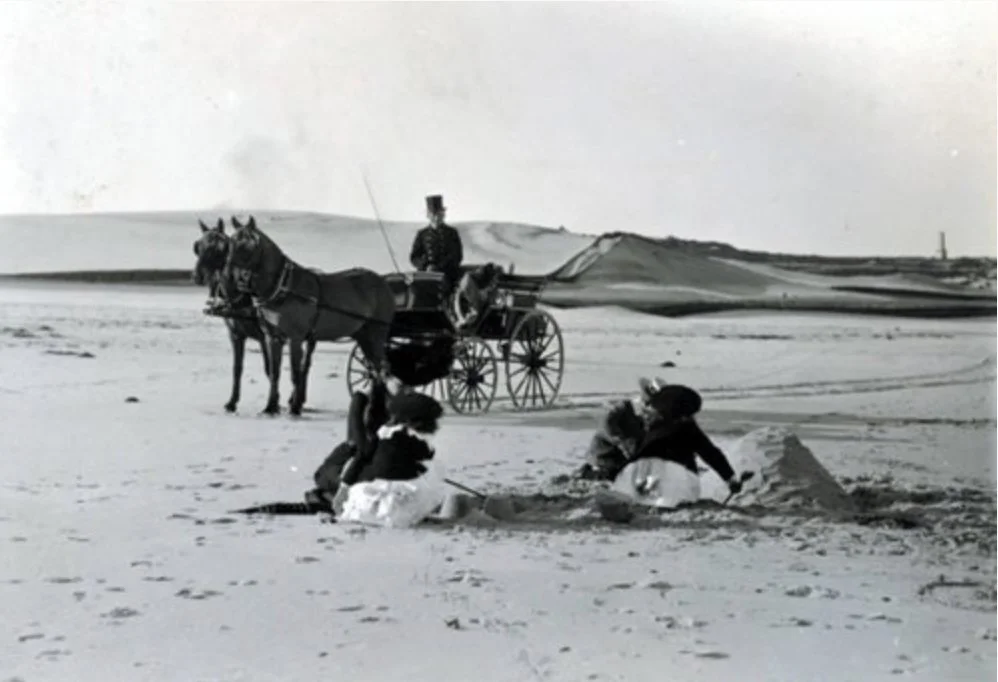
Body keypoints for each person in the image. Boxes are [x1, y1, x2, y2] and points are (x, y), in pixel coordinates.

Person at [632, 382, 743, 498]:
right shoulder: (685, 427)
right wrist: (730, 478)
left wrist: (730, 478)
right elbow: (710, 453)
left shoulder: (671, 429)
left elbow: (710, 453)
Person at [409, 194, 464, 296]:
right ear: (428, 215)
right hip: (426, 274)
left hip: (447, 274)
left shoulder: (451, 233)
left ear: (443, 214)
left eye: (439, 214)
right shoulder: (422, 234)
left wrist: (439, 267)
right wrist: (426, 265)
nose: (436, 217)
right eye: (433, 214)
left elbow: (457, 256)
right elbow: (414, 257)